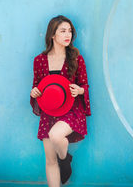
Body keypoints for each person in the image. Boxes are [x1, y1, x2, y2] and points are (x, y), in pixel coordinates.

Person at [30, 15, 91, 186]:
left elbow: (84, 85)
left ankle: (65, 160)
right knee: (50, 160)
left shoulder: (76, 58)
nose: (68, 35)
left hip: (72, 110)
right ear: (52, 35)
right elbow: (37, 87)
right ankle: (62, 163)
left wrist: (79, 90)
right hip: (48, 111)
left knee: (55, 135)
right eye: (63, 31)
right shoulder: (39, 60)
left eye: (70, 31)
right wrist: (34, 92)